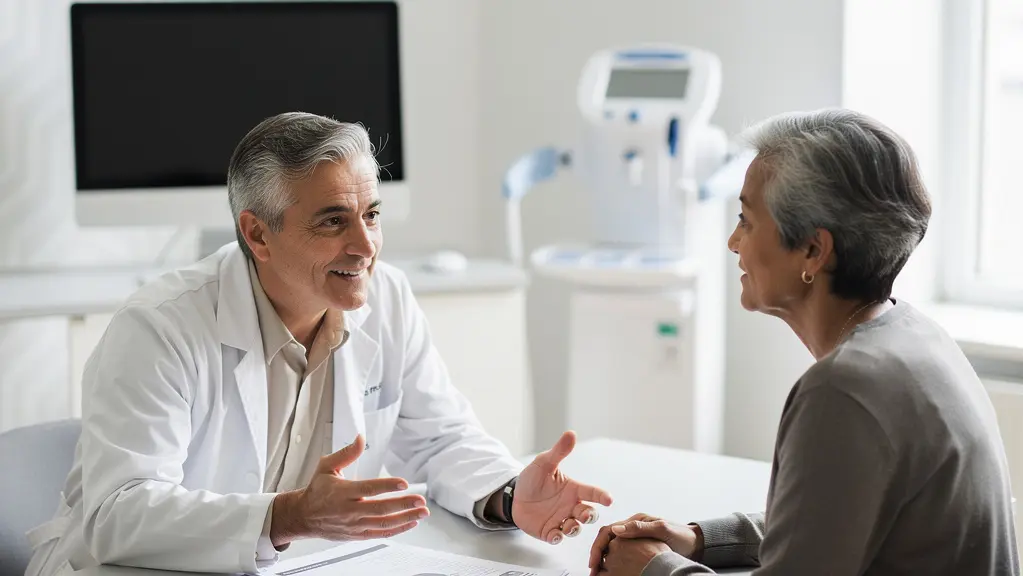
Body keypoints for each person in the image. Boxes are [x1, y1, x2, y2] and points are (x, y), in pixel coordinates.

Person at [25, 112, 612, 576]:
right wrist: (290, 515)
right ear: (258, 233)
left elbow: (439, 440)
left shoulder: (390, 298)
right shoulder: (160, 326)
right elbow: (117, 515)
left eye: (372, 215)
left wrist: (509, 496)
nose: (366, 246)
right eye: (333, 221)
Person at [588, 108, 1020, 575]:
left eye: (747, 220)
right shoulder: (915, 337)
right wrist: (698, 540)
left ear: (813, 250)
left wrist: (654, 569)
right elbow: (833, 518)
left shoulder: (845, 389)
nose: (733, 242)